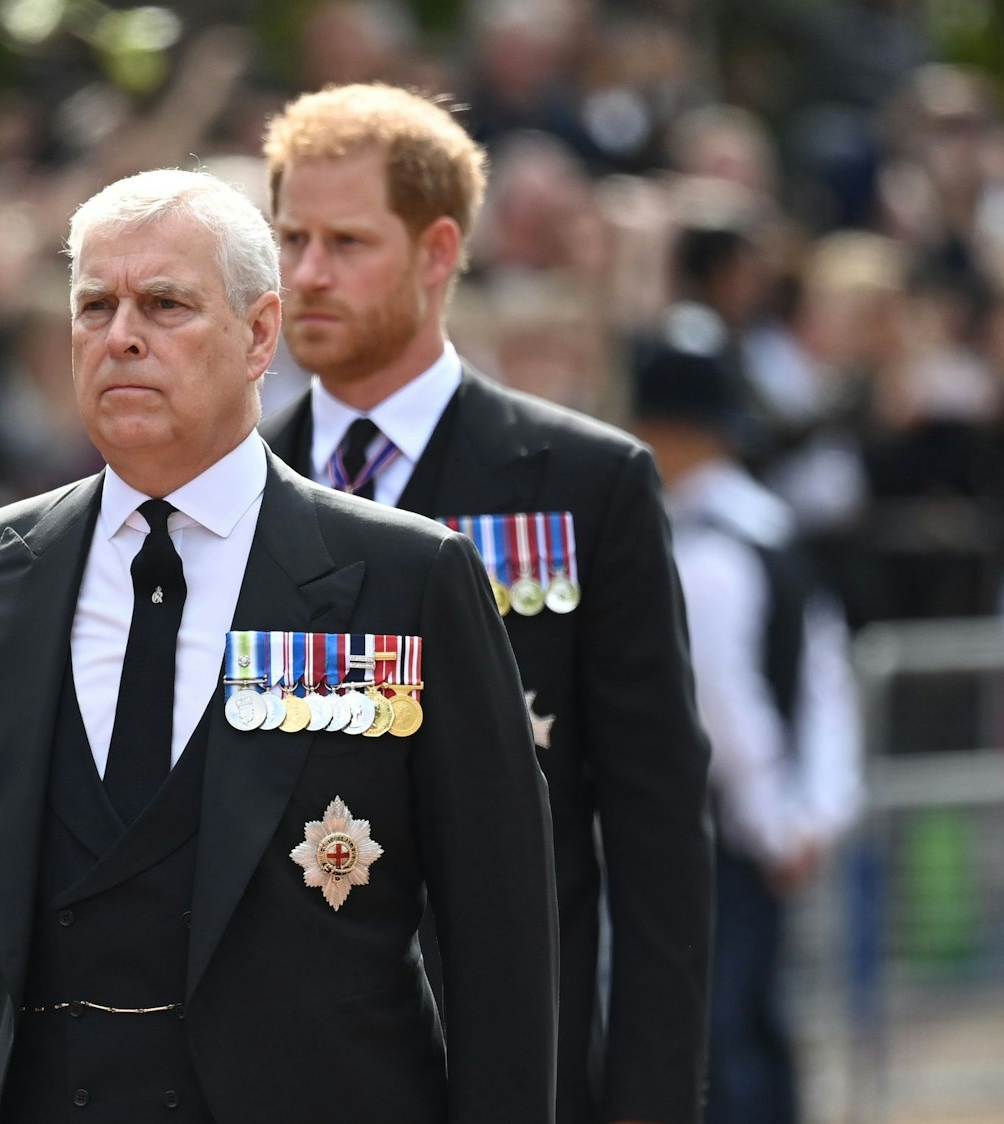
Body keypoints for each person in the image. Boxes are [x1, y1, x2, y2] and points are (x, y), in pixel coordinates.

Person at [0, 169, 556, 1123]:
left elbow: (499, 939)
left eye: (164, 304)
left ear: (258, 336)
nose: (121, 335)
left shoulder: (407, 577)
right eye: (95, 306)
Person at [257, 84, 713, 1124]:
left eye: (346, 242)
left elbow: (656, 840)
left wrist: (648, 1102)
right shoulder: (233, 490)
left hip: (510, 1068)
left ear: (436, 252)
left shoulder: (584, 485)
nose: (308, 274)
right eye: (290, 239)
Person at [628, 327, 861, 1124]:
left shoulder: (704, 545)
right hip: (766, 829)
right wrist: (815, 810)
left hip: (720, 836)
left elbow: (722, 706)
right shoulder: (771, 528)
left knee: (721, 1034)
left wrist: (771, 822)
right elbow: (825, 681)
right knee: (758, 1023)